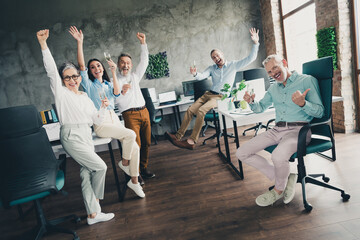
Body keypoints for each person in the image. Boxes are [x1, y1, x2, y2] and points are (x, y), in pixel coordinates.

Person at [37, 29, 115, 225]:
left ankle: (92, 215)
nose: (72, 80)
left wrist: (104, 108)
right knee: (100, 167)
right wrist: (43, 45)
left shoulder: (85, 97)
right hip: (71, 135)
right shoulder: (61, 93)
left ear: (80, 77)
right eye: (67, 78)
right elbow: (51, 71)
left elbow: (96, 119)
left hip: (86, 133)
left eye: (75, 76)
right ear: (63, 81)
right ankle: (96, 205)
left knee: (86, 172)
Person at [236, 54, 324, 207]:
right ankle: (285, 175)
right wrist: (251, 102)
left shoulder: (306, 80)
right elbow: (260, 108)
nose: (273, 73)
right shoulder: (273, 88)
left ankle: (278, 190)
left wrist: (304, 104)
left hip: (299, 130)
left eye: (275, 67)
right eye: (269, 72)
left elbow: (320, 112)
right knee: (241, 153)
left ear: (284, 63)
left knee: (277, 156)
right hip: (276, 129)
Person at [69, 26, 146, 194]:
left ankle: (134, 181)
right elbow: (81, 65)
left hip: (114, 119)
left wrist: (113, 70)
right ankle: (124, 163)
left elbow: (117, 92)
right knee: (131, 135)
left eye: (98, 66)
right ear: (89, 72)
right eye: (93, 68)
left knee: (136, 147)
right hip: (102, 122)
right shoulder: (89, 86)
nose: (96, 69)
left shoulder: (109, 83)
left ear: (103, 68)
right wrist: (80, 42)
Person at [165, 28, 260, 150]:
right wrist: (195, 74)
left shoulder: (233, 65)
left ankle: (191, 141)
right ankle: (178, 136)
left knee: (201, 111)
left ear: (222, 54)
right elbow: (202, 76)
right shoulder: (212, 68)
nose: (216, 58)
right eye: (213, 58)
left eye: (217, 55)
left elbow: (250, 58)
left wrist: (255, 43)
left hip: (220, 97)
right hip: (208, 94)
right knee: (190, 110)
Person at [115, 32, 155, 180]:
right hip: (130, 115)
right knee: (135, 145)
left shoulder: (135, 77)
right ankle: (135, 174)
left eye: (128, 63)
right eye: (123, 62)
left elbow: (144, 61)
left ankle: (143, 169)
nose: (125, 65)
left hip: (144, 112)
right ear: (118, 64)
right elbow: (114, 98)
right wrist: (121, 91)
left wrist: (143, 43)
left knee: (147, 142)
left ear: (131, 65)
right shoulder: (116, 80)